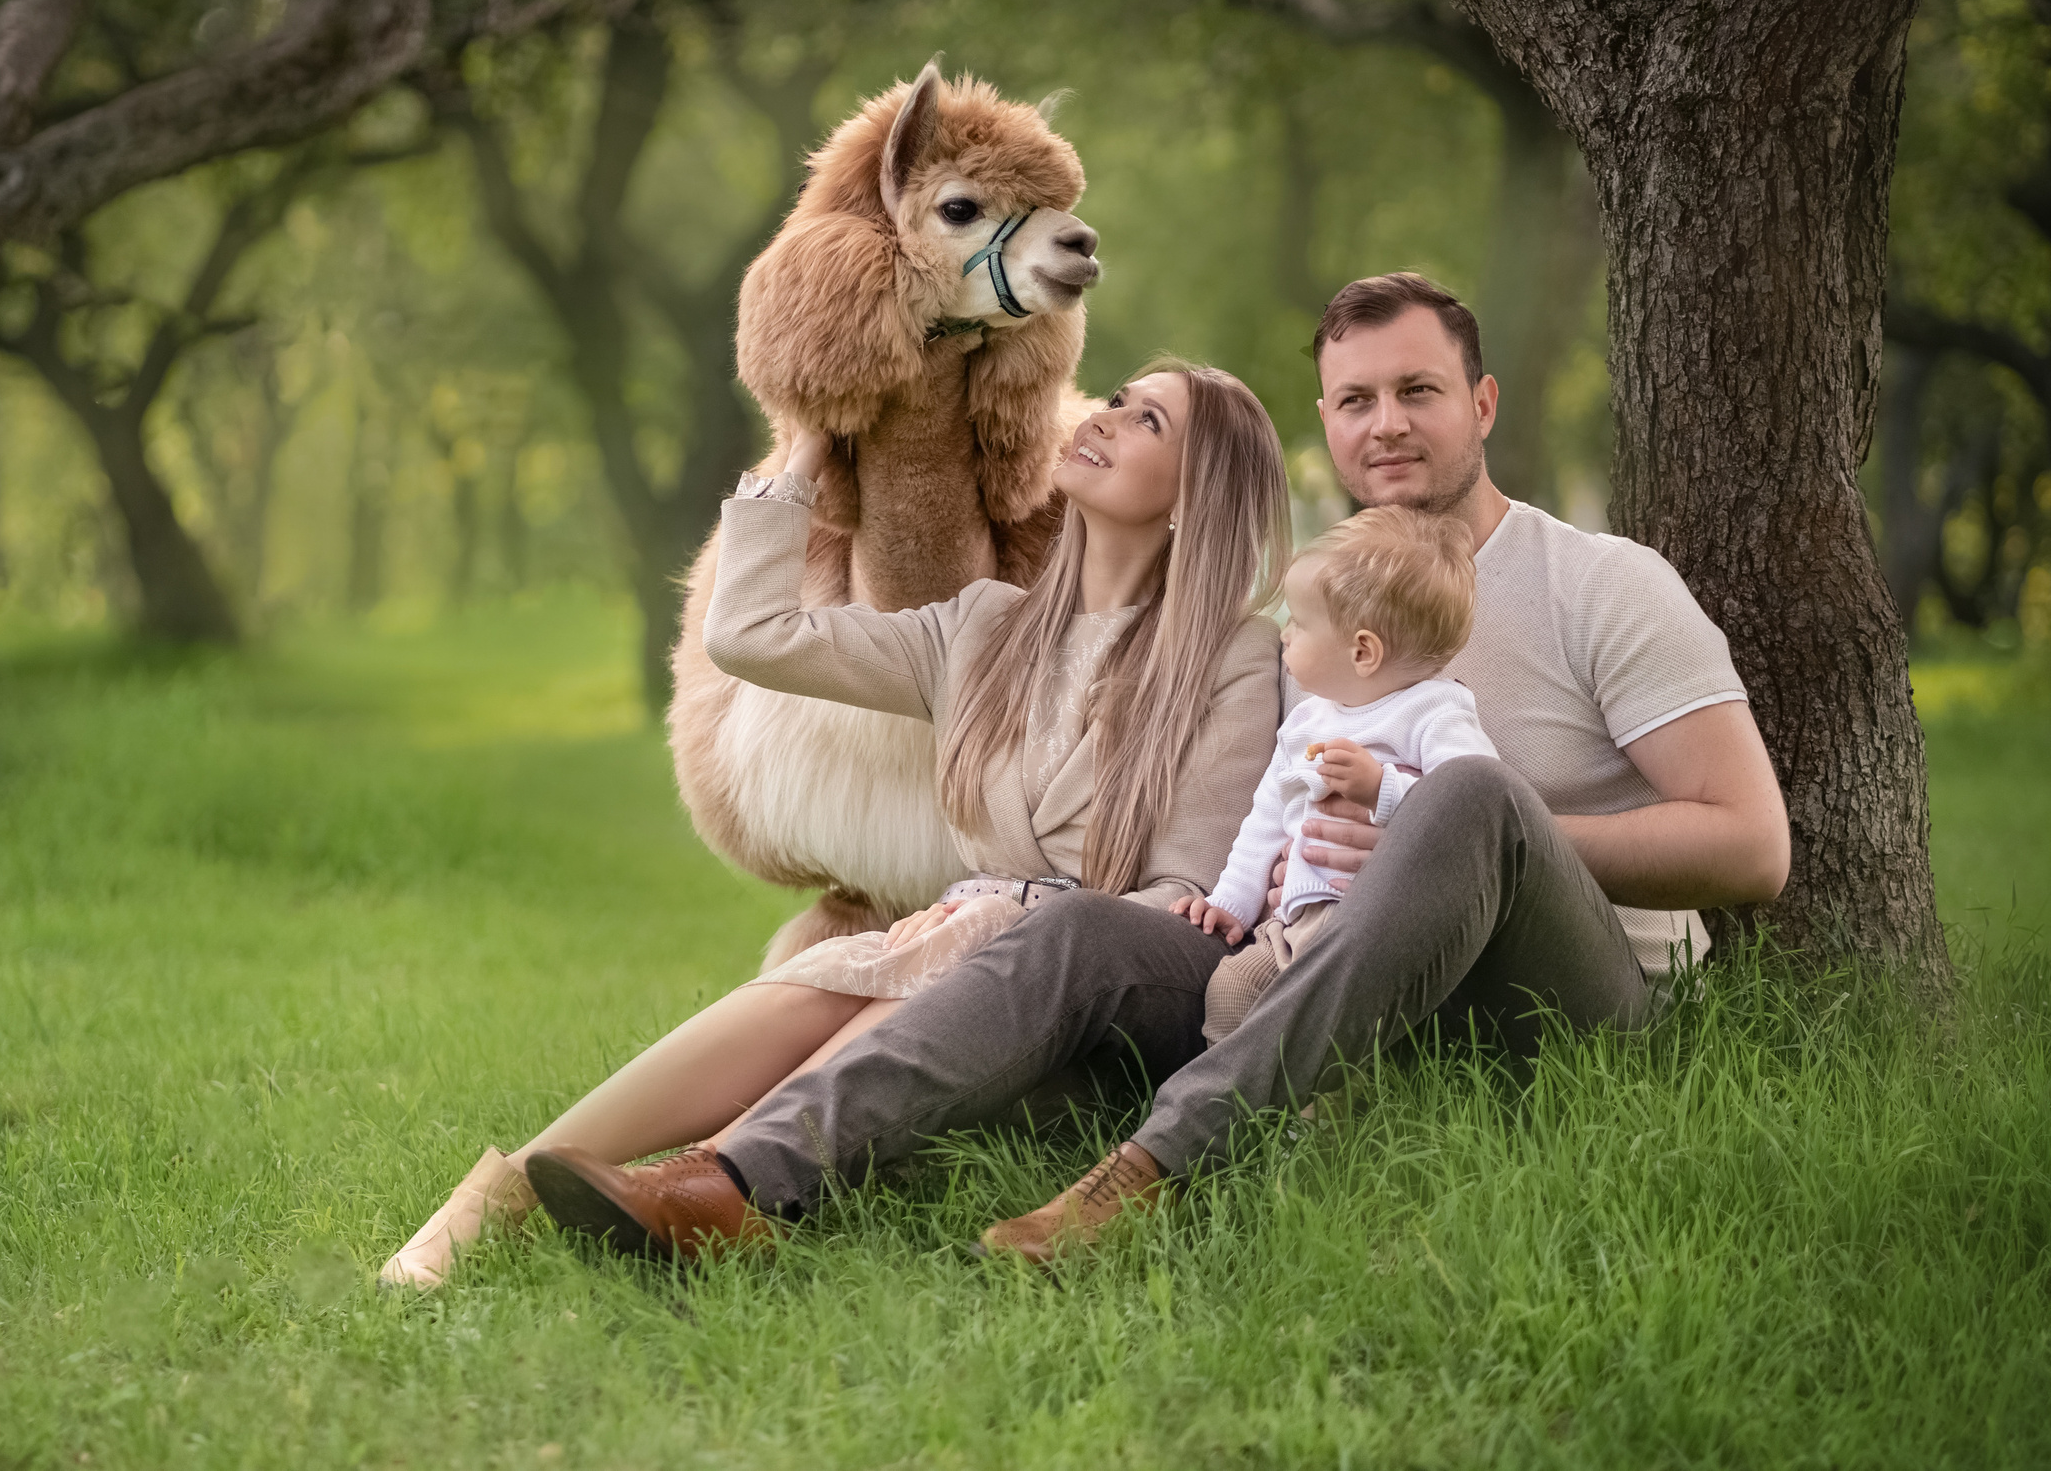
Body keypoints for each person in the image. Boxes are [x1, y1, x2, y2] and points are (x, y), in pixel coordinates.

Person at [533, 272, 1792, 1269]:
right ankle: (732, 1185)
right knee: (1068, 930)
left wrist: (1436, 837)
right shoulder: (1307, 616)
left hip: (1549, 1003)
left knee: (1470, 795)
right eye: (1354, 401)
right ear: (1325, 429)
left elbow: (1750, 848)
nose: (1387, 424)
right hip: (1314, 970)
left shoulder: (1598, 583)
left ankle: (1146, 1178)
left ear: (1483, 404)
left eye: (1417, 390)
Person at [380, 359, 1291, 1287]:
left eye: (1149, 423)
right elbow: (751, 636)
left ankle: (699, 1191)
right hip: (961, 948)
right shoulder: (984, 628)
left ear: (1197, 494)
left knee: (917, 962)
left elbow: (1189, 894)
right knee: (828, 980)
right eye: (1118, 399)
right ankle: (494, 1199)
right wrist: (804, 456)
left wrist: (1001, 921)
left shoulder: (1235, 658)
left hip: (1077, 1002)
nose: (1103, 417)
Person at [1194, 504, 1499, 1045]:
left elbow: (1476, 804)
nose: (1285, 635)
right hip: (1291, 926)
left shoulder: (1434, 711)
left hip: (1373, 932)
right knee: (1231, 990)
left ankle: (1319, 1126)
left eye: (1301, 622)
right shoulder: (1308, 720)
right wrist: (1231, 902)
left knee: (1327, 1032)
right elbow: (1267, 818)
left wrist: (1383, 789)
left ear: (1363, 651)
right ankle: (1234, 1107)